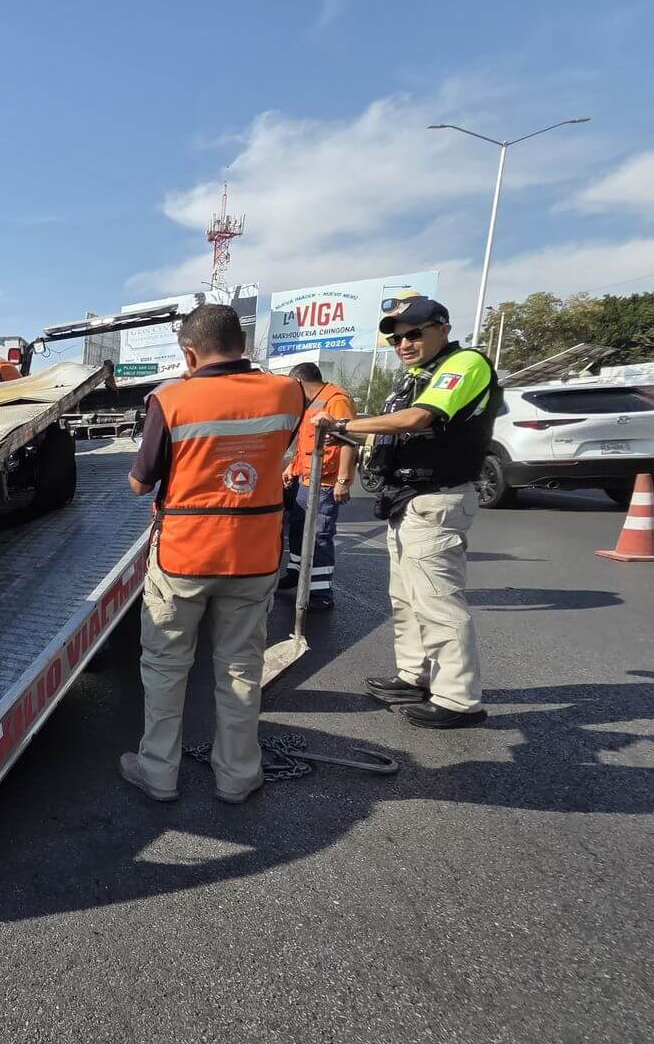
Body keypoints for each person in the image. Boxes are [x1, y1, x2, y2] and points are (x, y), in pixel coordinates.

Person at [119, 304, 305, 804]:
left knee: (165, 665)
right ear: (242, 344)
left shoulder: (172, 400)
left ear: (189, 352)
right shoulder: (289, 392)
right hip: (254, 554)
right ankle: (238, 775)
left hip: (184, 557)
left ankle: (159, 772)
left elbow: (141, 483)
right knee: (241, 668)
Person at [315, 296, 502, 730]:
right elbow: (394, 433)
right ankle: (414, 676)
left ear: (442, 327)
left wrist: (342, 426)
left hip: (435, 497)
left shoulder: (464, 364)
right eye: (398, 337)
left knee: (437, 600)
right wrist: (353, 441)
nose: (405, 343)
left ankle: (458, 698)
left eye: (415, 333)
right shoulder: (417, 377)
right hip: (407, 499)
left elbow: (417, 421)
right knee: (406, 598)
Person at [279, 362, 357, 610]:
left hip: (325, 484)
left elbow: (349, 441)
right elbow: (307, 444)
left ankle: (321, 593)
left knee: (319, 536)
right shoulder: (312, 403)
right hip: (306, 481)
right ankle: (295, 572)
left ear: (300, 383)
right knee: (299, 530)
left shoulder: (336, 400)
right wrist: (293, 467)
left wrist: (343, 480)